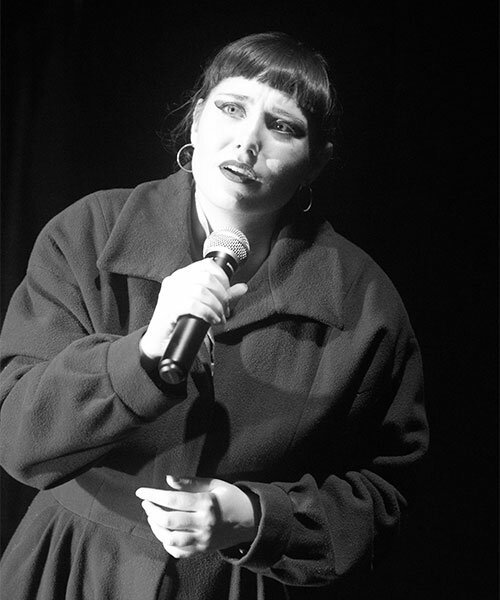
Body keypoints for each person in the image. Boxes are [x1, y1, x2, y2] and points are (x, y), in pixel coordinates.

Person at [0, 32, 428, 600]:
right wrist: (140, 356)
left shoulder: (362, 300)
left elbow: (387, 495)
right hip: (74, 567)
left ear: (316, 162)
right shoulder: (87, 234)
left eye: (283, 126)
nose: (248, 141)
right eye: (231, 109)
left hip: (235, 584)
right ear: (197, 120)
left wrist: (256, 519)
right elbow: (16, 435)